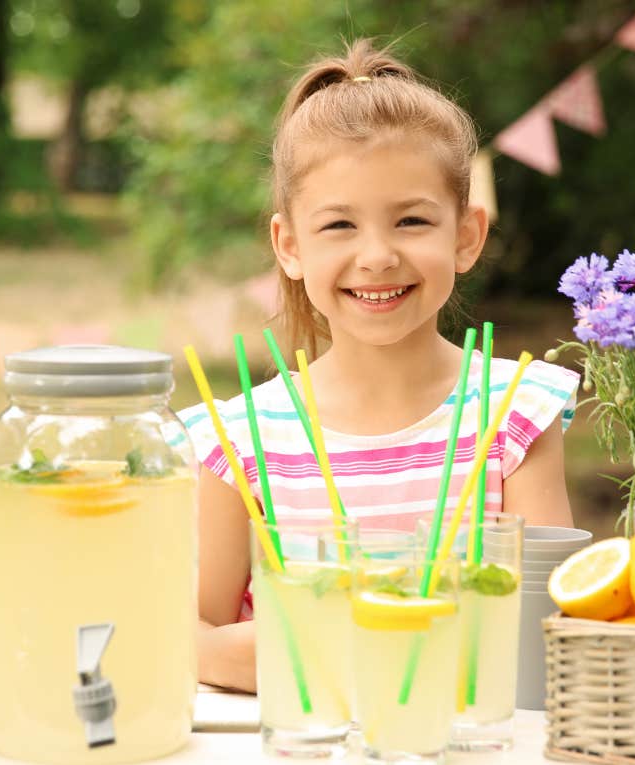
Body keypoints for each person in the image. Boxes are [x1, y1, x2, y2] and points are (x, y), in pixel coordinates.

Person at [176, 39, 580, 692]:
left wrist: (325, 642)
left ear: (467, 235)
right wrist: (391, 639)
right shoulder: (238, 439)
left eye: (412, 220)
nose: (378, 256)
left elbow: (541, 633)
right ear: (289, 245)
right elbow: (186, 635)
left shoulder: (516, 417)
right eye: (338, 225)